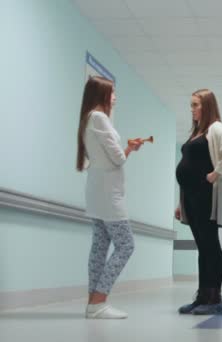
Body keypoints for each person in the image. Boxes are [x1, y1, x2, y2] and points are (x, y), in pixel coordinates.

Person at [76, 76, 143, 319]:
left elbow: (108, 156)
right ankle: (99, 299)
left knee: (100, 246)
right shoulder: (99, 118)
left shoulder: (89, 119)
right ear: (101, 94)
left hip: (97, 191)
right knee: (126, 245)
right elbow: (118, 159)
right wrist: (128, 150)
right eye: (112, 92)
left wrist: (126, 149)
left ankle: (93, 303)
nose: (115, 97)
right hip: (108, 194)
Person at [175, 89, 222, 315]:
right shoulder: (196, 132)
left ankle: (214, 299)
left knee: (210, 245)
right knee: (202, 248)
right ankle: (202, 296)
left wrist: (216, 173)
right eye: (191, 105)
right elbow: (188, 166)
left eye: (196, 105)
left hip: (205, 194)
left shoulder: (216, 128)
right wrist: (180, 203)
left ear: (207, 106)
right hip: (191, 196)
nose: (192, 109)